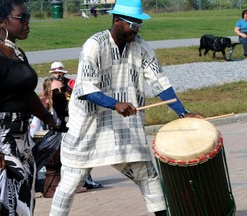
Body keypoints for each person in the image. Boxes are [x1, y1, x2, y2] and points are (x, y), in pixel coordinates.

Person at [49, 0, 203, 216]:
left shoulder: (140, 46)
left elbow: (159, 81)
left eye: (139, 25)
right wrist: (115, 104)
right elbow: (84, 87)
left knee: (148, 176)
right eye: (133, 24)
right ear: (117, 20)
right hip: (88, 128)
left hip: (125, 128)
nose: (136, 29)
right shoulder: (95, 44)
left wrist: (182, 112)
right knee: (70, 184)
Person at [0, 0, 58, 215]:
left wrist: (48, 117)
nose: (27, 23)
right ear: (1, 21)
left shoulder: (15, 52)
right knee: (5, 202)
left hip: (18, 138)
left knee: (22, 200)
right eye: (22, 17)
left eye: (28, 17)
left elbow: (24, 93)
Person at [30, 62, 103, 195]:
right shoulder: (44, 107)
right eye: (55, 91)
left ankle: (83, 180)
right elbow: (33, 130)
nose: (60, 93)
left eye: (62, 90)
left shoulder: (69, 102)